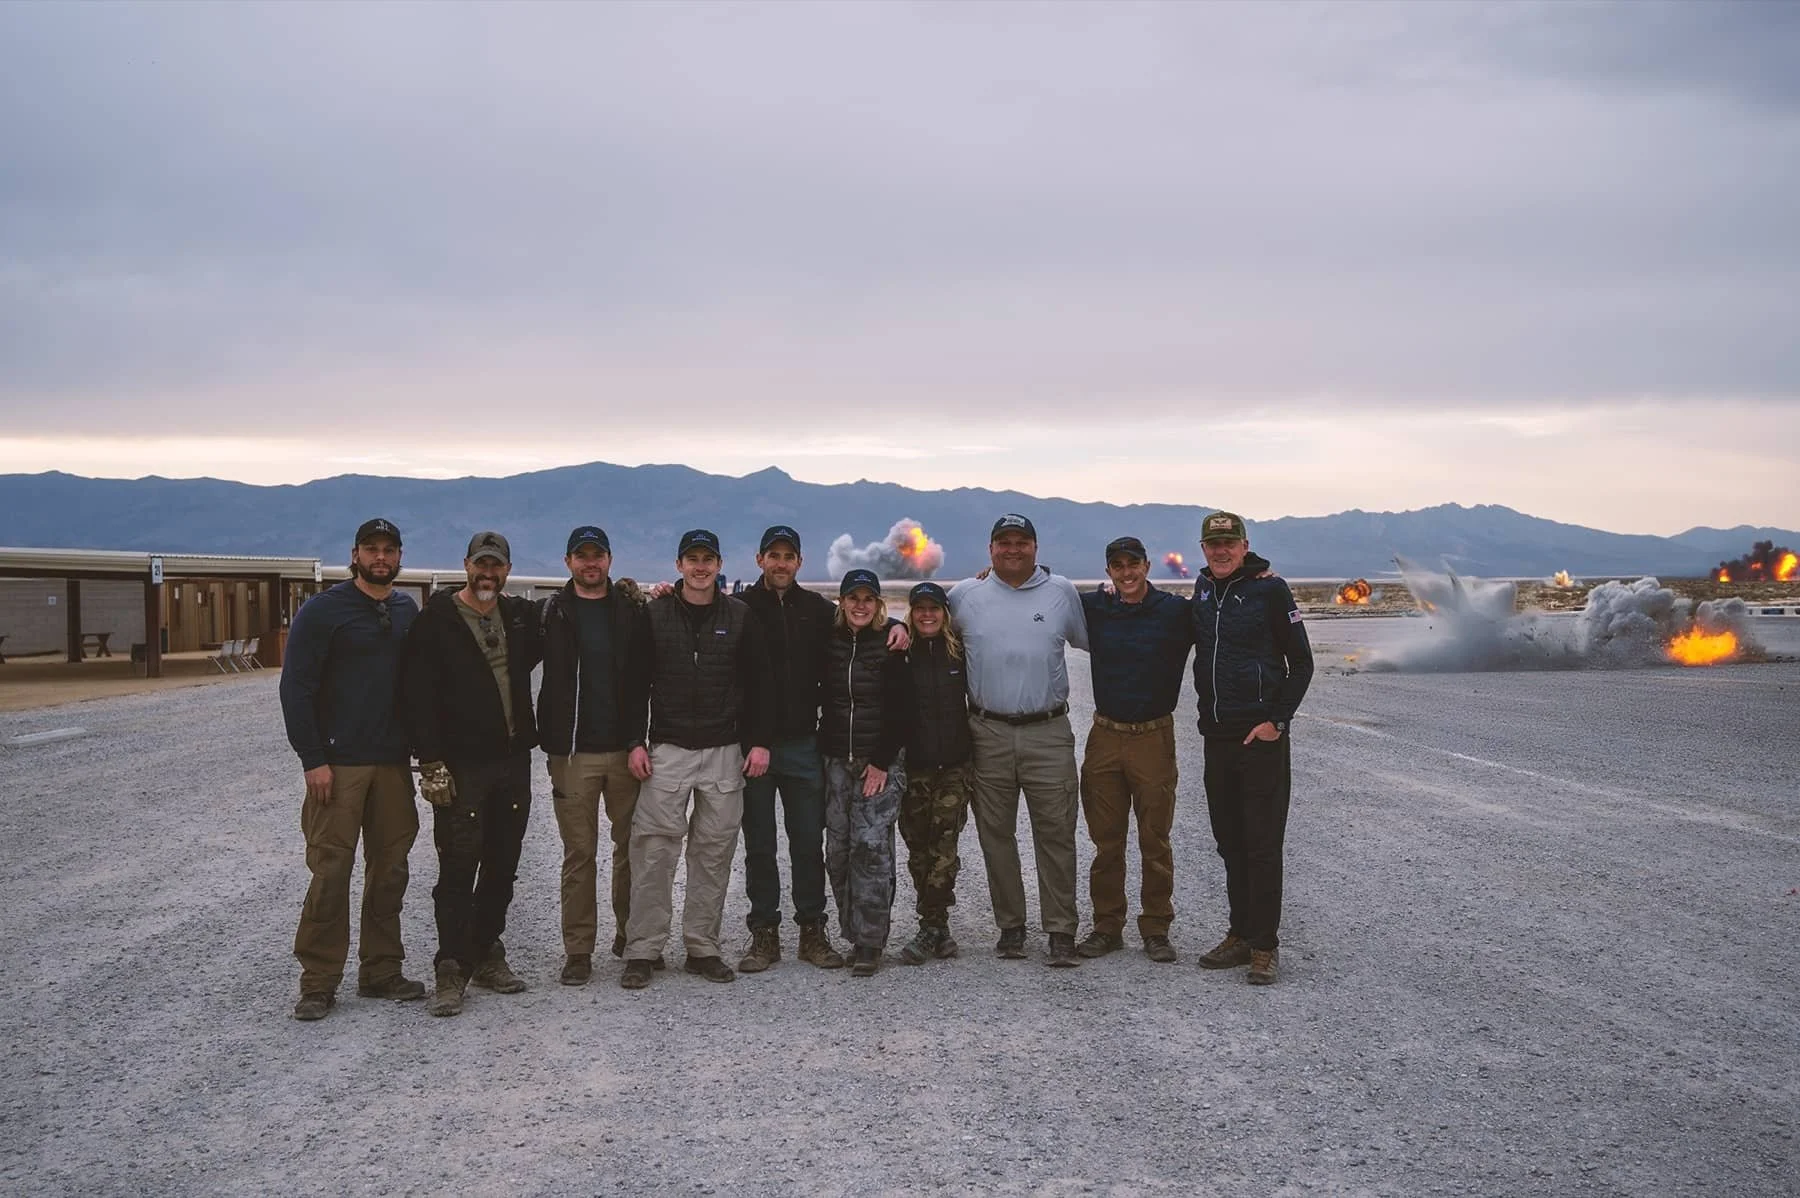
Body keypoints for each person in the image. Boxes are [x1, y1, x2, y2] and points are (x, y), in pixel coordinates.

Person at [735, 525, 909, 974]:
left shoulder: (816, 610)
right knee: (759, 843)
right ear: (759, 560)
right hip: (753, 749)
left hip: (803, 747)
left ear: (799, 561)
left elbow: (864, 623)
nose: (781, 563)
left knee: (809, 843)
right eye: (773, 555)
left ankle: (812, 929)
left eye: (788, 556)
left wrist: (900, 625)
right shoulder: (740, 607)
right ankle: (764, 932)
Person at [279, 517, 423, 1021]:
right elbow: (296, 688)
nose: (380, 557)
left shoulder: (406, 611)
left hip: (392, 766)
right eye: (371, 548)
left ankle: (381, 969)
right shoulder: (323, 611)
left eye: (389, 549)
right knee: (330, 871)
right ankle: (318, 980)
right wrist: (312, 759)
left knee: (390, 870)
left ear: (399, 556)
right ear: (355, 554)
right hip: (337, 769)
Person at [620, 529, 775, 990]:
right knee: (653, 852)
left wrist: (759, 741)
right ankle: (643, 949)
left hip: (724, 751)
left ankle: (702, 947)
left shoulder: (740, 617)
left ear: (719, 565)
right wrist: (634, 742)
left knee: (713, 853)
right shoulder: (654, 615)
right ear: (679, 565)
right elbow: (634, 684)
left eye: (708, 559)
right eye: (692, 559)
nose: (700, 567)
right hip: (667, 751)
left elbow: (760, 685)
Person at [400, 530, 543, 1016]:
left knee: (503, 864)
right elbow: (417, 694)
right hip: (461, 766)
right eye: (481, 564)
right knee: (459, 865)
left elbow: (568, 615)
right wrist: (431, 761)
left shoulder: (518, 617)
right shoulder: (436, 620)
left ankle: (484, 953)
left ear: (507, 571)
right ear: (465, 565)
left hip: (512, 761)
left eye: (496, 566)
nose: (488, 573)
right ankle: (450, 966)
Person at [948, 513, 1090, 967]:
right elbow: (926, 631)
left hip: (1047, 730)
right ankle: (1010, 926)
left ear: (1035, 548)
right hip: (986, 731)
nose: (1013, 549)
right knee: (995, 835)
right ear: (990, 549)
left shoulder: (1061, 592)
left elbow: (1096, 639)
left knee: (1056, 832)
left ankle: (1061, 930)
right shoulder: (964, 596)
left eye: (1021, 542)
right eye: (1004, 542)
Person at [1189, 511, 1314, 985]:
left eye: (1229, 543)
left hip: (1259, 737)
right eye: (1213, 544)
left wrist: (1276, 721)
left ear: (1244, 546)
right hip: (1217, 736)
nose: (1221, 551)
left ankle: (1264, 945)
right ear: (1204, 549)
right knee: (1230, 842)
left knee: (1261, 844)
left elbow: (1301, 663)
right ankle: (1240, 933)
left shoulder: (1270, 590)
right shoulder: (1203, 589)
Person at [536, 525, 652, 986]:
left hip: (625, 750)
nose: (590, 563)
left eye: (597, 555)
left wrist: (639, 738)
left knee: (632, 849)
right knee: (579, 853)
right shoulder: (551, 612)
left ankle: (632, 938)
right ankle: (579, 949)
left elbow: (645, 674)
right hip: (571, 754)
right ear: (568, 561)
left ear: (609, 559)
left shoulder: (630, 610)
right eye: (581, 555)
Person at [1075, 536, 1194, 964]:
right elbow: (1043, 590)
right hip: (1105, 735)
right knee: (1106, 840)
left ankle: (1156, 928)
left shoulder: (1175, 612)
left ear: (1146, 566)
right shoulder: (1095, 607)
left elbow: (1222, 614)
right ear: (1108, 571)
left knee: (1154, 838)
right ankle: (1107, 926)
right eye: (1118, 566)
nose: (1126, 573)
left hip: (1153, 737)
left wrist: (1258, 574)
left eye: (1133, 564)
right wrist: (988, 577)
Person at [819, 569, 914, 977]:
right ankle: (852, 931)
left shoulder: (891, 645)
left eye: (868, 599)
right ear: (841, 602)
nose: (860, 605)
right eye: (853, 598)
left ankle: (870, 942)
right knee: (838, 850)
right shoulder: (828, 640)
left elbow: (902, 708)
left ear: (878, 605)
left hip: (879, 762)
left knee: (871, 849)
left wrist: (881, 761)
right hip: (836, 761)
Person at [894, 580, 974, 965]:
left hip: (954, 767)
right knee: (918, 849)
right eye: (920, 609)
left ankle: (931, 925)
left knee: (944, 847)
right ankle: (938, 928)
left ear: (944, 613)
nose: (927, 615)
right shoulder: (900, 651)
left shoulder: (960, 651)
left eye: (934, 608)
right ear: (911, 613)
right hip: (914, 769)